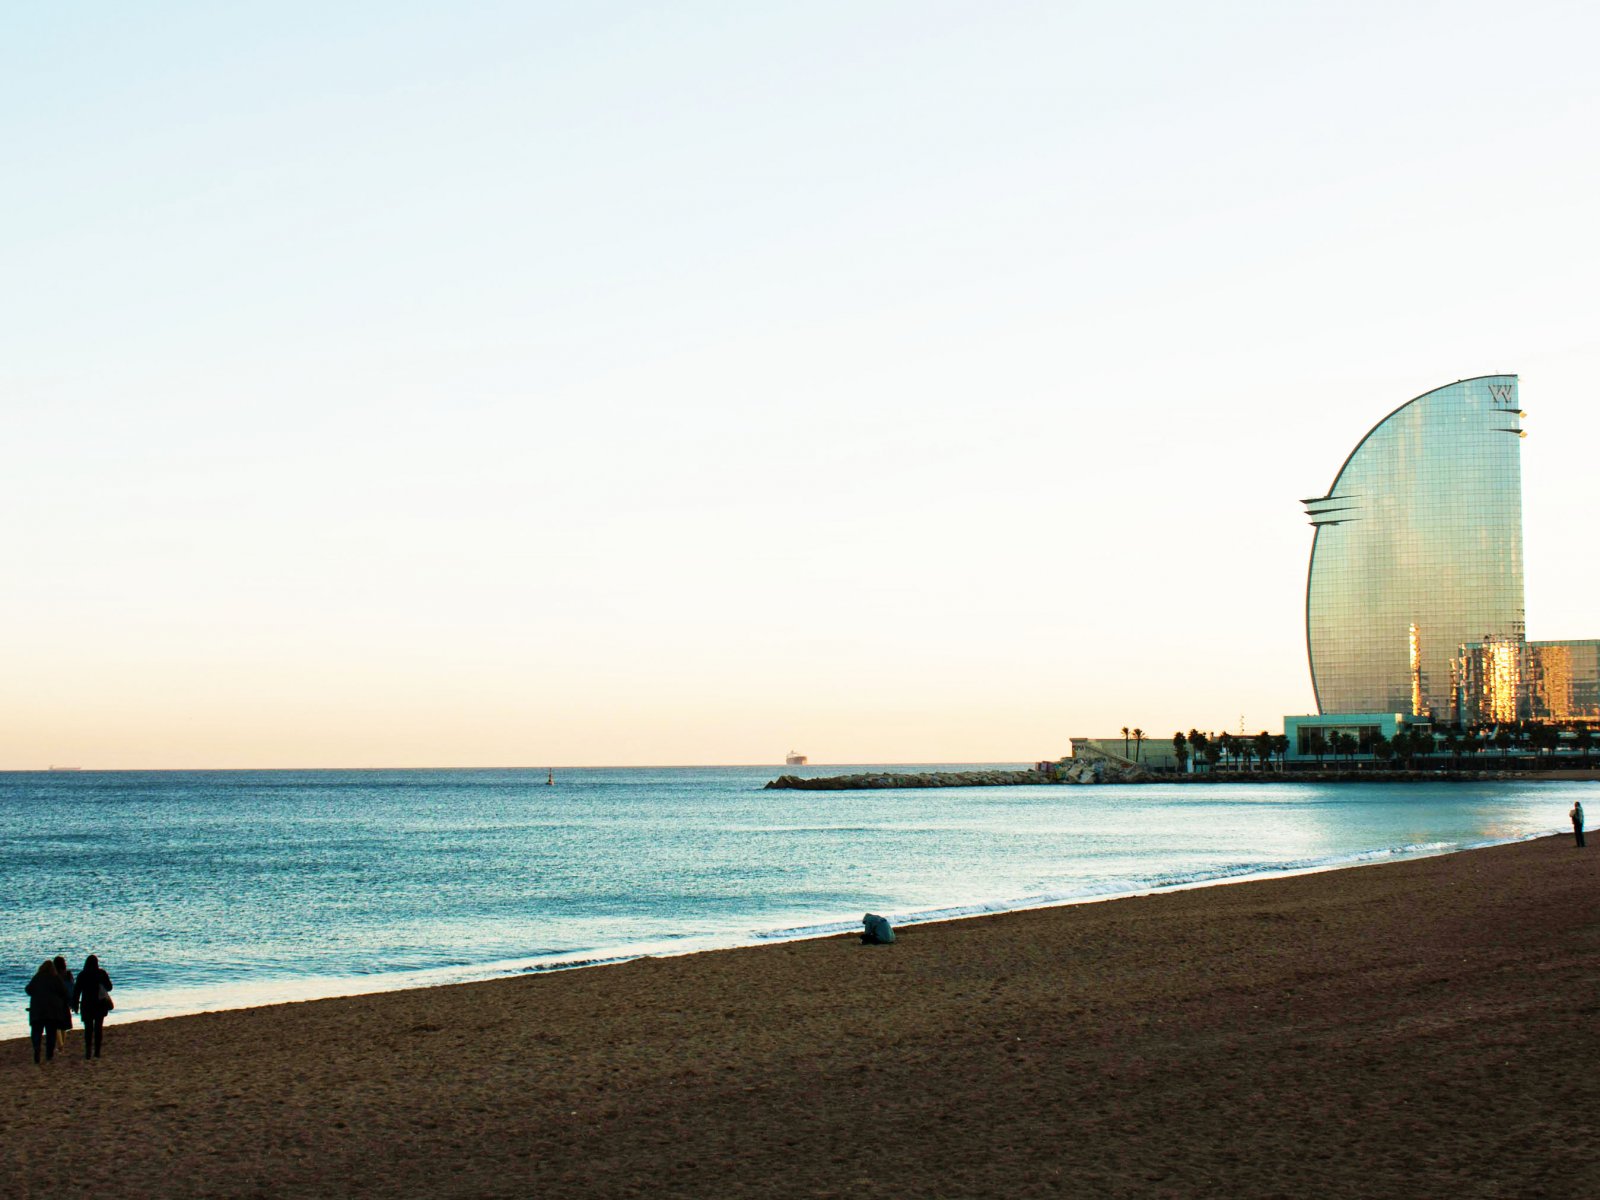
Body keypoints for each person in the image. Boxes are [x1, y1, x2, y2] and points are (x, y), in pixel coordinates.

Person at [25, 961, 70, 1065]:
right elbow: (64, 992)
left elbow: (28, 990)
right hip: (52, 1011)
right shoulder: (55, 978)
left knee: (36, 1032)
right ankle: (49, 1055)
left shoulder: (37, 977)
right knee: (51, 1034)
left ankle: (37, 1049)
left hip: (37, 1010)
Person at [72, 954, 113, 1060]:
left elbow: (77, 991)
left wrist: (75, 1004)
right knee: (98, 1028)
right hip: (100, 1004)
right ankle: (97, 1052)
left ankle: (88, 1051)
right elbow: (109, 987)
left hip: (87, 1005)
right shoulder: (101, 973)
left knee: (88, 1029)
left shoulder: (82, 975)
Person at [53, 956, 74, 1051]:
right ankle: (62, 1044)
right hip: (66, 1000)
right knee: (64, 1025)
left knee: (56, 1024)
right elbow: (72, 986)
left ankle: (60, 1044)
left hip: (56, 1001)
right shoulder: (68, 974)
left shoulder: (54, 974)